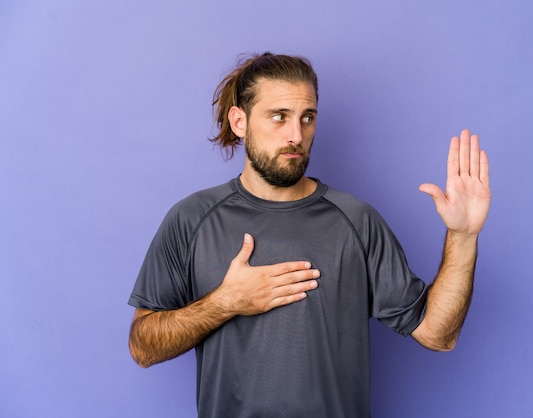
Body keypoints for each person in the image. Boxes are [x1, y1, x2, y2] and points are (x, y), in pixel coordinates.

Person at [128, 52, 491, 417]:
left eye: (307, 118)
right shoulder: (191, 219)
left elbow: (437, 334)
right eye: (279, 116)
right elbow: (143, 347)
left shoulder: (356, 221)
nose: (296, 135)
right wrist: (226, 302)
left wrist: (463, 236)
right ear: (240, 121)